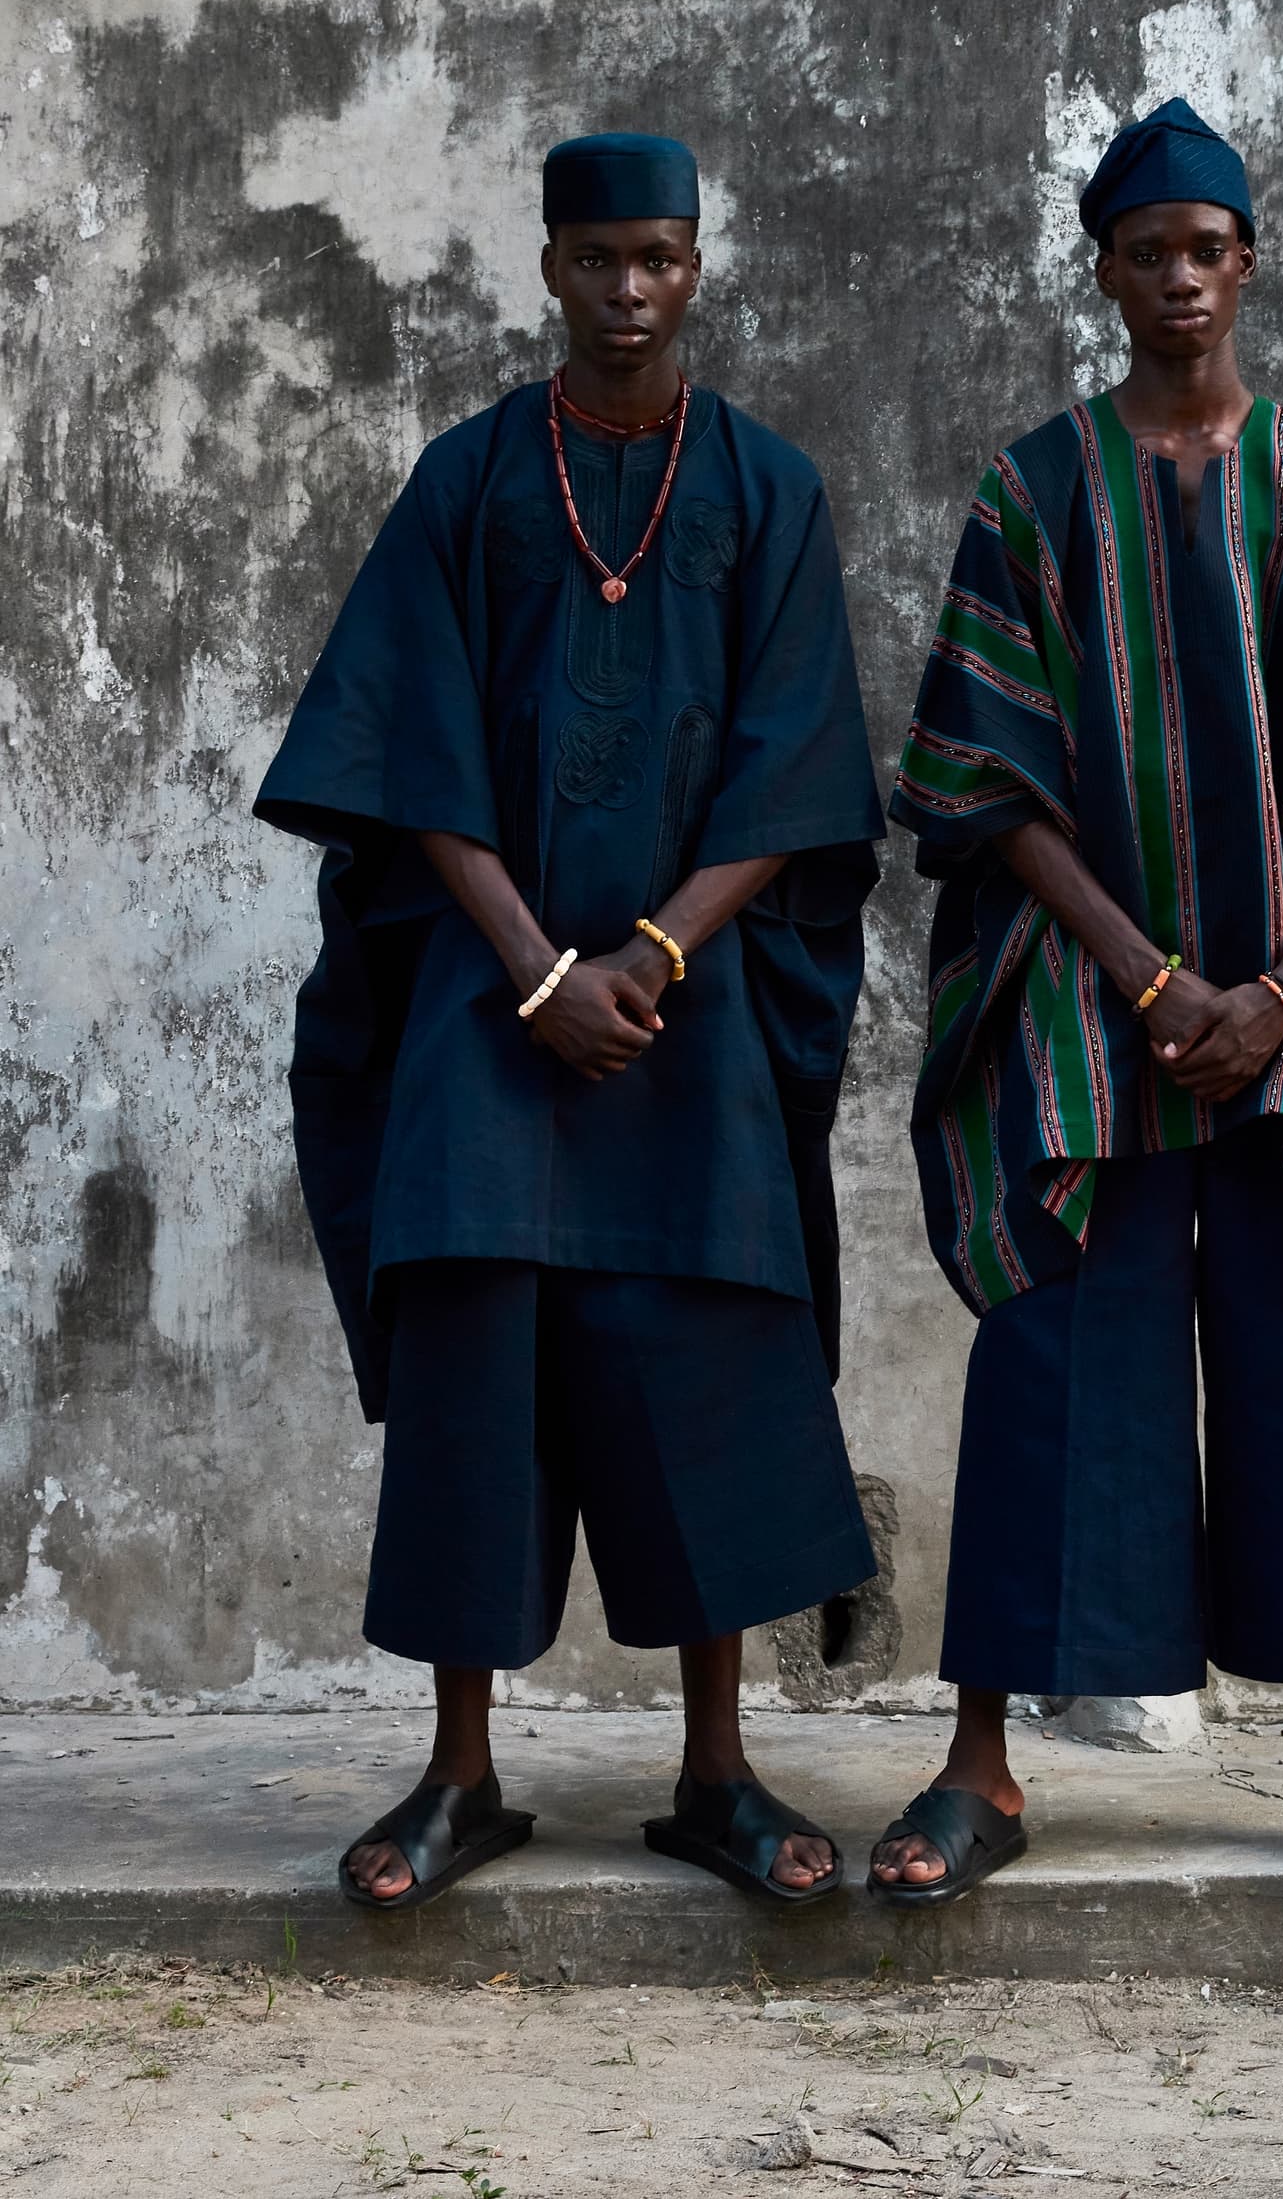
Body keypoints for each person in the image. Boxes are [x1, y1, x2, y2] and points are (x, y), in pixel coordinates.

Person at [873, 98, 1283, 1906]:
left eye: (1205, 248)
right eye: (1145, 251)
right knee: (1059, 1364)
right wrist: (1152, 979)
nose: (1178, 279)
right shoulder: (1032, 488)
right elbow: (982, 786)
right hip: (1088, 1020)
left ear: (1247, 262)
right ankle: (982, 1765)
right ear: (1105, 273)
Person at [256, 131, 884, 1911]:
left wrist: (654, 962)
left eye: (662, 259)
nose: (630, 291)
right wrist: (537, 968)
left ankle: (717, 1772)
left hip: (688, 1022)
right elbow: (403, 750)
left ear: (699, 268)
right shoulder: (465, 485)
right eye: (599, 258)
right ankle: (460, 1774)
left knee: (707, 1369)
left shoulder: (767, 489)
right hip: (484, 1007)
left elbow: (796, 770)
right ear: (548, 266)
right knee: (477, 1373)